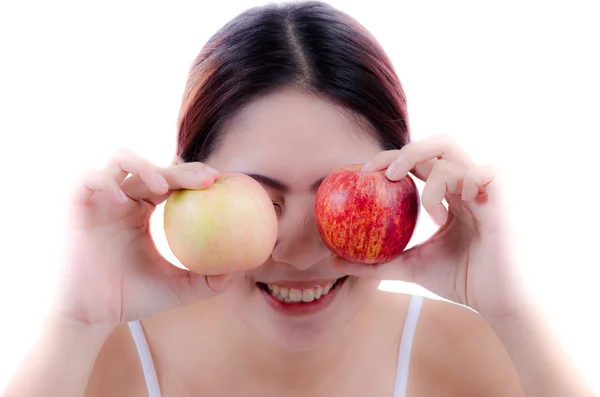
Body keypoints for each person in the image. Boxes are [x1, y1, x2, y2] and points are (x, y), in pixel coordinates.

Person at [5, 2, 594, 396]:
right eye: (263, 202)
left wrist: (515, 317)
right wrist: (74, 326)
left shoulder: (474, 356)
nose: (303, 253)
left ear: (410, 179)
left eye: (337, 197)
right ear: (183, 184)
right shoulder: (95, 367)